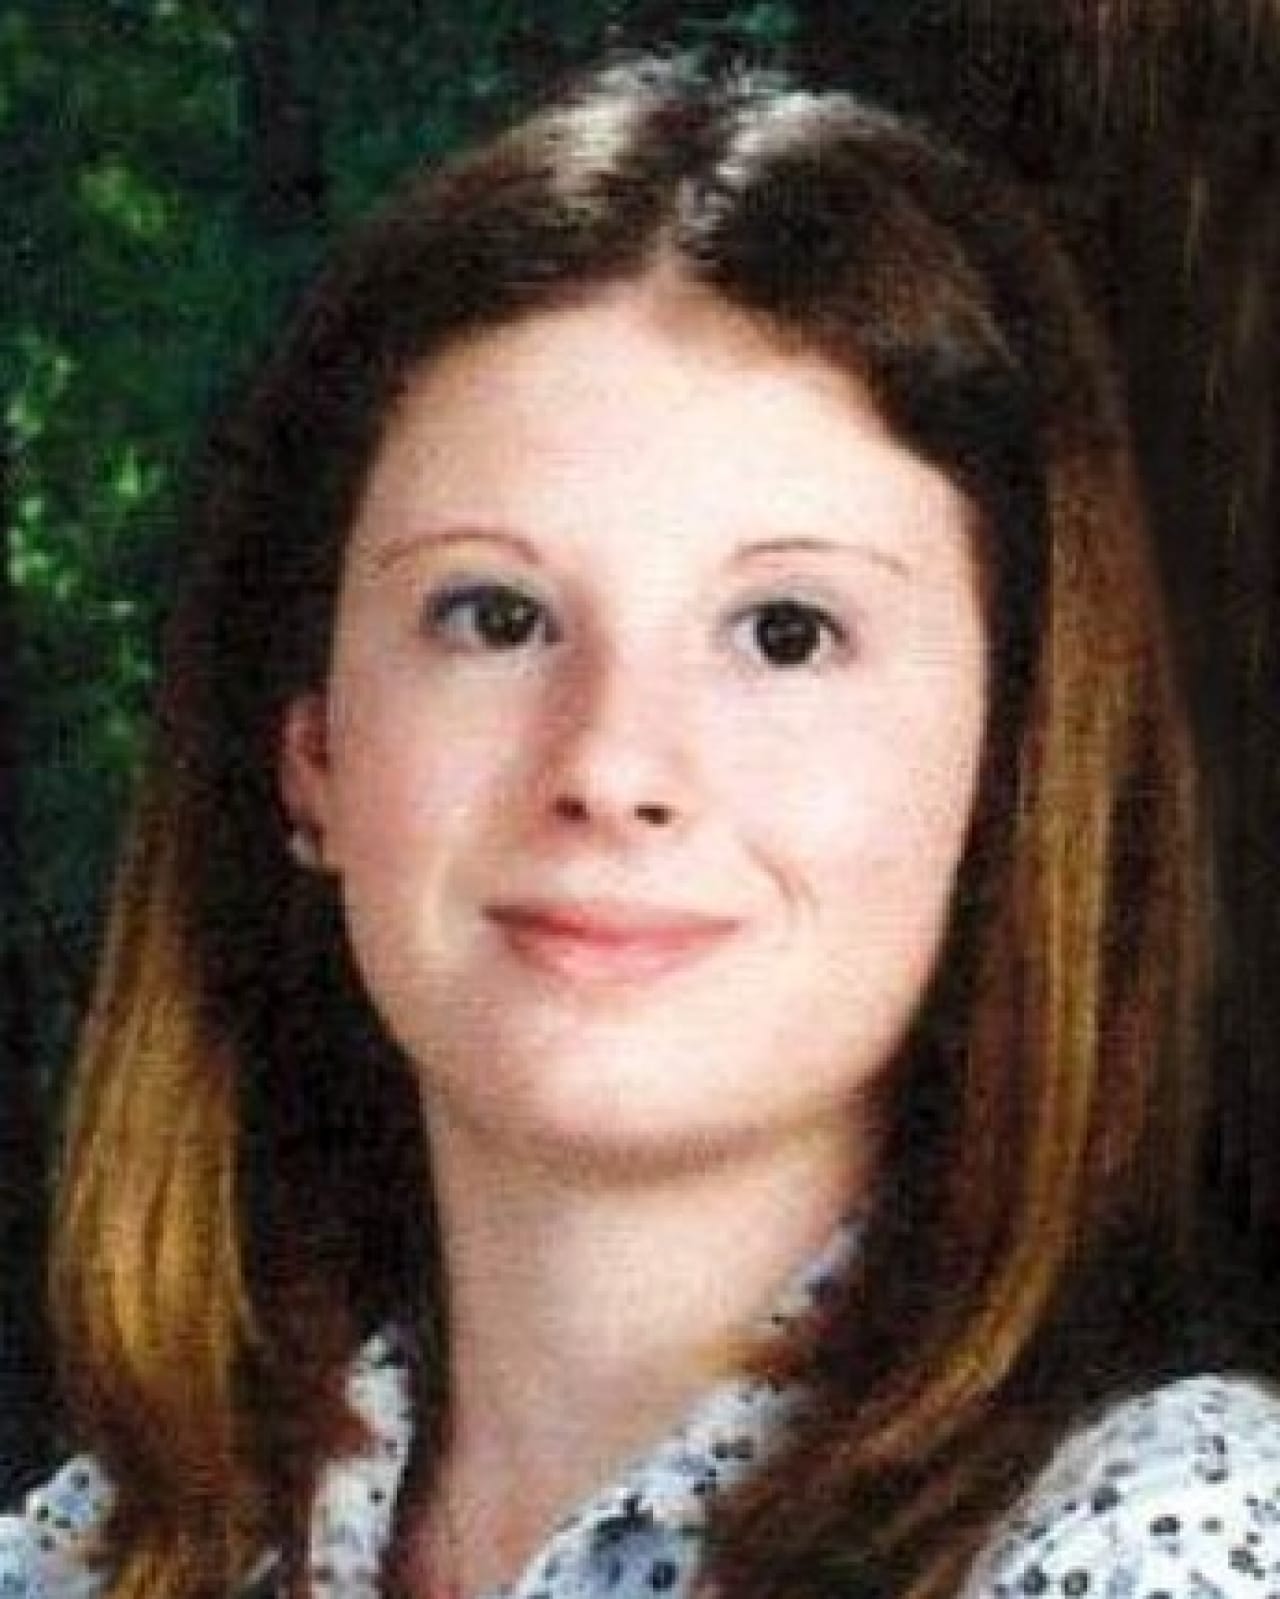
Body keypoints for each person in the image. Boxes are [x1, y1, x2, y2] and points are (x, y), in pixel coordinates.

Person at [3, 54, 1278, 1599]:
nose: (612, 766)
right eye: (494, 616)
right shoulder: (78, 1560)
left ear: (1012, 774)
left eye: (787, 634)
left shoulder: (1176, 1543)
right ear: (311, 752)